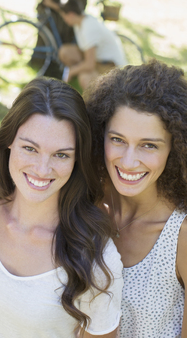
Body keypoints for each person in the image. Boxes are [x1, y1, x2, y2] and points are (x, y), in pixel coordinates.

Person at [0, 77, 123, 338]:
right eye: (30, 148)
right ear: (9, 141)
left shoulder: (94, 257)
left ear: (76, 160)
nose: (42, 169)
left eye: (61, 154)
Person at [84, 59, 187, 338]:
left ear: (175, 150)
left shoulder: (181, 235)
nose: (129, 161)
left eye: (149, 145)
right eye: (117, 139)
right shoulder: (85, 204)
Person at [42, 0, 127, 90]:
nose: (64, 19)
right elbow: (62, 10)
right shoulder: (80, 18)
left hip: (111, 66)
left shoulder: (88, 29)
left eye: (64, 16)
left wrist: (71, 71)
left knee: (84, 77)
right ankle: (88, 77)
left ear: (71, 15)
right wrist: (51, 4)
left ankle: (95, 97)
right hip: (98, 59)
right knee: (65, 52)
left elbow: (89, 64)